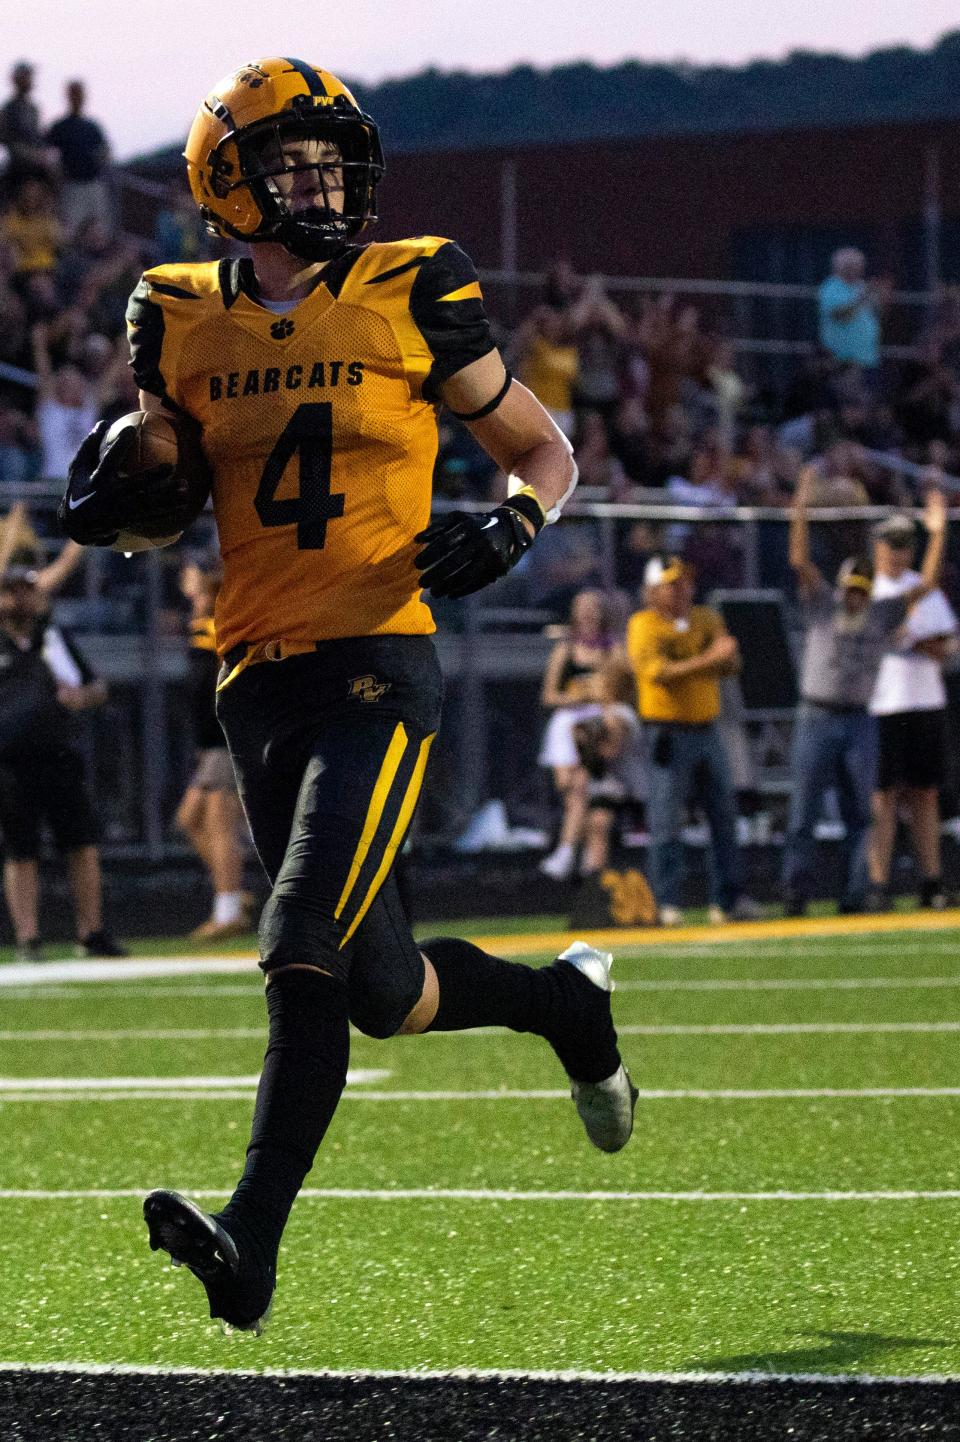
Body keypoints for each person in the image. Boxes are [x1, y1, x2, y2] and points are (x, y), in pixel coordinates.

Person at [59, 57, 635, 1334]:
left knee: (297, 936)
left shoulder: (414, 279)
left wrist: (516, 522)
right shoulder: (170, 310)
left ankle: (248, 1239)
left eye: (332, 158)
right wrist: (116, 496)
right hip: (257, 676)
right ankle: (564, 1002)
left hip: (383, 653)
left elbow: (544, 444)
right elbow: (161, 491)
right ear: (228, 183)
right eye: (293, 162)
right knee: (384, 990)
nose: (323, 180)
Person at [782, 472, 947, 916]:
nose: (856, 597)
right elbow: (800, 561)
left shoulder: (880, 613)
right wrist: (799, 508)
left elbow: (926, 585)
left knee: (862, 815)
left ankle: (855, 895)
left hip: (858, 718)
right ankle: (796, 894)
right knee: (804, 812)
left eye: (862, 590)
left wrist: (938, 535)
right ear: (842, 587)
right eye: (852, 589)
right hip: (817, 715)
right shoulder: (822, 606)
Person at [0, 544, 126, 961]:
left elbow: (97, 687)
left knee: (81, 842)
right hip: (11, 763)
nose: (19, 598)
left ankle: (92, 931)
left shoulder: (52, 638)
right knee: (21, 850)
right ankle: (28, 938)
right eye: (10, 590)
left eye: (25, 590)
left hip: (58, 756)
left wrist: (81, 696)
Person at [625, 554, 757, 927]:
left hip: (706, 728)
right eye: (672, 583)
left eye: (685, 582)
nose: (682, 589)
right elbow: (657, 673)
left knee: (724, 817)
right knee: (666, 821)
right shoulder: (643, 624)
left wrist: (719, 658)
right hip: (666, 731)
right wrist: (710, 659)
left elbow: (732, 663)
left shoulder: (705, 618)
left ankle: (727, 900)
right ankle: (666, 901)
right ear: (652, 590)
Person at [866, 510, 958, 911]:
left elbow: (943, 647)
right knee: (883, 796)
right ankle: (877, 883)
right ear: (877, 546)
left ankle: (931, 880)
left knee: (925, 793)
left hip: (925, 701)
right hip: (883, 701)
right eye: (891, 544)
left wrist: (910, 641)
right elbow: (877, 634)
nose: (897, 553)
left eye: (905, 545)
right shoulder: (868, 588)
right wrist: (914, 640)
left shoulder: (925, 592)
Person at [176, 555, 253, 940]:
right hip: (210, 744)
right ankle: (236, 894)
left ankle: (228, 910)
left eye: (192, 579)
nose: (185, 586)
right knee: (189, 820)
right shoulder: (201, 626)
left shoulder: (221, 626)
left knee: (220, 824)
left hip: (226, 739)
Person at [538, 588, 627, 880]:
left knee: (584, 794)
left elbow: (623, 687)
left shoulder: (613, 649)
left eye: (594, 607)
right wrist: (577, 697)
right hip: (568, 722)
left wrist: (603, 692)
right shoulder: (565, 649)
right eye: (583, 607)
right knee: (577, 798)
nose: (589, 613)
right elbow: (549, 696)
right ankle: (583, 874)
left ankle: (567, 857)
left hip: (600, 722)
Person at [45, 81, 112, 240]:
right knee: (72, 230)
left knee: (99, 228)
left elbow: (105, 151)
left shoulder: (92, 127)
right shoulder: (60, 127)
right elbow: (48, 153)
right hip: (72, 186)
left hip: (93, 183)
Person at [817, 248, 890, 374]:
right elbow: (839, 316)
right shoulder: (831, 287)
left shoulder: (861, 286)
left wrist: (883, 298)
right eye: (854, 265)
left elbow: (879, 315)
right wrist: (863, 297)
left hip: (867, 357)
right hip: (844, 359)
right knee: (851, 392)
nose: (859, 269)